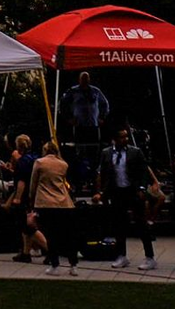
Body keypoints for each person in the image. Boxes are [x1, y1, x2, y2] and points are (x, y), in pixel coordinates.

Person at [96, 127, 157, 271]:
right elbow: (103, 173)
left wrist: (142, 188)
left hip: (133, 191)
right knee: (119, 225)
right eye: (122, 137)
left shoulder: (135, 152)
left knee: (141, 223)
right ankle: (121, 255)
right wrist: (102, 192)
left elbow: (143, 172)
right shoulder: (106, 153)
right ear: (115, 139)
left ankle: (150, 257)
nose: (125, 139)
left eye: (126, 137)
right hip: (117, 192)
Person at [29, 141, 78, 275]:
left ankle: (54, 264)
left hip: (45, 202)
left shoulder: (39, 163)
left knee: (51, 235)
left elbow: (33, 183)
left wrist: (31, 199)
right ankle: (73, 264)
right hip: (64, 203)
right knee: (67, 234)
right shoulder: (63, 164)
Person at [5, 134, 47, 263]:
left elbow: (22, 181)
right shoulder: (35, 158)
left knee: (28, 227)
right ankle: (26, 252)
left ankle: (50, 250)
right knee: (26, 227)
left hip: (25, 196)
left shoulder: (22, 162)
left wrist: (17, 198)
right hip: (35, 193)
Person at [60, 72, 110, 141]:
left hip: (93, 124)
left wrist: (102, 117)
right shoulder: (73, 91)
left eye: (86, 78)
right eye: (83, 79)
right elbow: (62, 104)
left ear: (89, 79)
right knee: (80, 145)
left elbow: (105, 104)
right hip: (78, 124)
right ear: (79, 80)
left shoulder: (96, 91)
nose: (84, 80)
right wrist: (69, 118)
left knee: (94, 144)